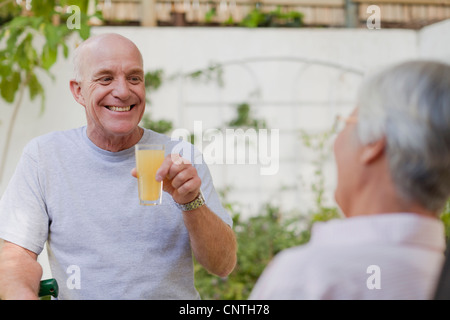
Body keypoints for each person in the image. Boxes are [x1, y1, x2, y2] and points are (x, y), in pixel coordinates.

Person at [0, 33, 237, 300]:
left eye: (134, 78)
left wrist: (191, 202)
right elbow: (16, 258)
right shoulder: (44, 156)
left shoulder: (180, 158)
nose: (123, 91)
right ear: (78, 91)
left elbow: (223, 264)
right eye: (105, 78)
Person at [250, 60, 450, 300]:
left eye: (346, 123)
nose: (337, 140)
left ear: (373, 143)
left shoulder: (309, 277)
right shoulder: (434, 265)